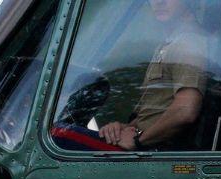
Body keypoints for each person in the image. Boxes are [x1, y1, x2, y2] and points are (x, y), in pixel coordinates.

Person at [53, 0, 207, 151]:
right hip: (144, 143)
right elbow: (153, 113)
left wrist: (138, 141)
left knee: (56, 136)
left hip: (151, 150)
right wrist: (124, 128)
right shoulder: (169, 44)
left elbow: (185, 111)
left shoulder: (188, 44)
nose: (158, 2)